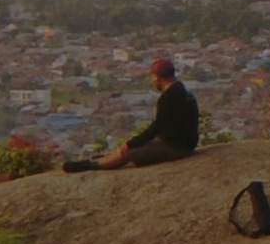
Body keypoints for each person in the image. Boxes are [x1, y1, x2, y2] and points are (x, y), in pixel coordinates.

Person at [67, 55, 200, 173]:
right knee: (138, 146)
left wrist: (131, 143)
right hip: (186, 142)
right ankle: (105, 158)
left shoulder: (169, 97)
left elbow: (156, 127)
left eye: (153, 77)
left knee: (130, 153)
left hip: (176, 147)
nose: (153, 81)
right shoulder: (183, 90)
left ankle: (89, 165)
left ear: (158, 77)